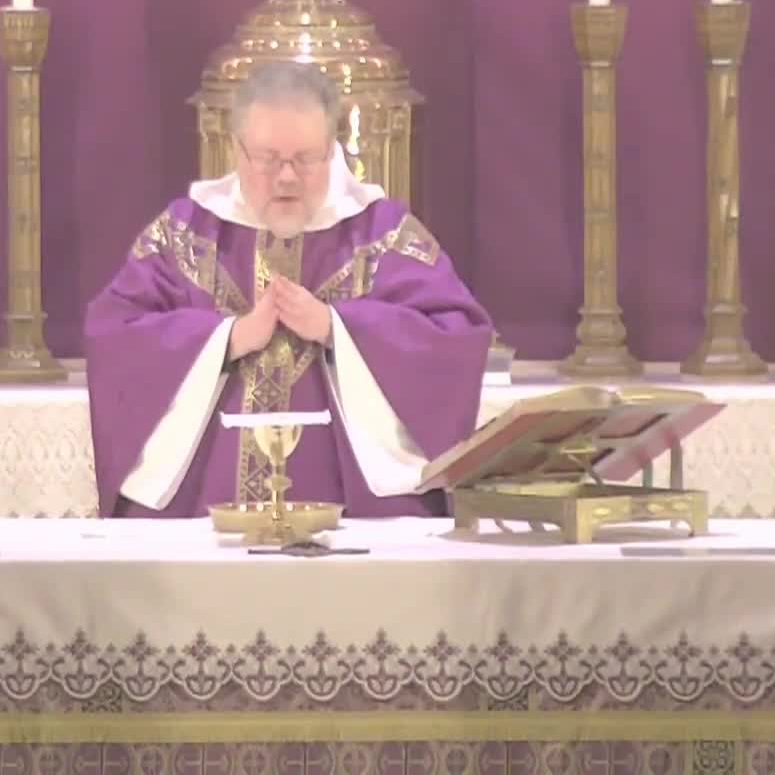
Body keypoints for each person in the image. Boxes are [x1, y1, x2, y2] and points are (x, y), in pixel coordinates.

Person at [84, 60, 494, 519]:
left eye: (306, 159)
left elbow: (456, 336)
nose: (286, 177)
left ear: (332, 150)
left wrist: (338, 327)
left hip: (356, 513)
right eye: (267, 159)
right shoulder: (185, 233)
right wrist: (227, 338)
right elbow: (114, 332)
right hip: (203, 510)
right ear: (237, 150)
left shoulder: (384, 233)